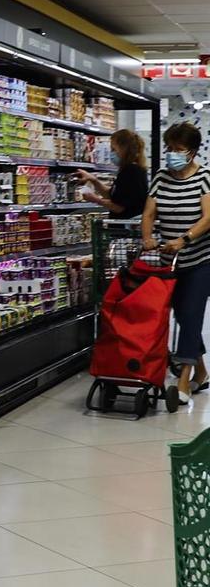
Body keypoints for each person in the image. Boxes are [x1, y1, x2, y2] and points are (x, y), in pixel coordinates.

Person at [142, 122, 210, 403]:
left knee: (191, 316)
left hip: (200, 259)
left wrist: (185, 238)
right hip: (168, 261)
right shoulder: (160, 177)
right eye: (169, 148)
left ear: (192, 152)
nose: (171, 154)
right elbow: (149, 212)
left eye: (178, 149)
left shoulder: (204, 177)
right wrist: (147, 236)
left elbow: (208, 217)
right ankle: (202, 372)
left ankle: (183, 381)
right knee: (181, 315)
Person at [75, 129, 148, 218]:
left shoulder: (132, 171)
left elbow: (119, 207)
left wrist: (95, 199)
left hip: (125, 228)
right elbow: (111, 196)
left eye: (113, 149)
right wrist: (93, 180)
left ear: (124, 149)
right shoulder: (129, 170)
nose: (111, 153)